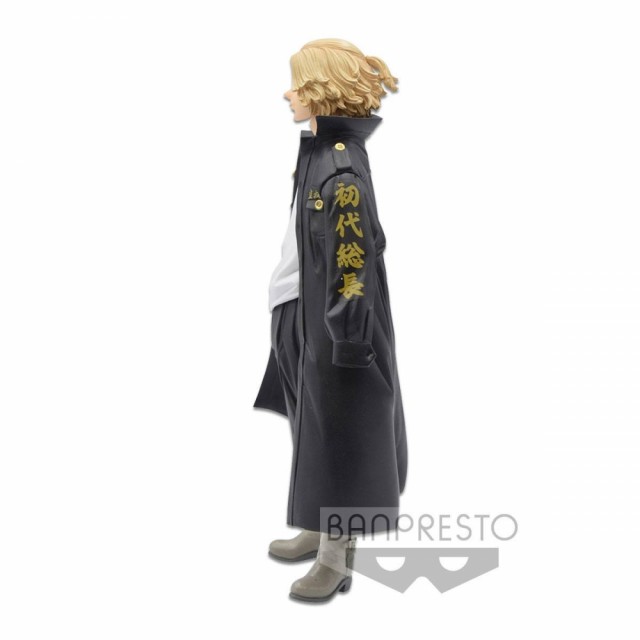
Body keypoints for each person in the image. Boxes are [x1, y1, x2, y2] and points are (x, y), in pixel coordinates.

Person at [253, 38, 408, 603]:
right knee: (312, 427)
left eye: (298, 84)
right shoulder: (320, 152)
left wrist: (347, 340)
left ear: (322, 90)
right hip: (300, 311)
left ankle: (335, 558)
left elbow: (353, 266)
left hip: (332, 324)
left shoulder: (340, 170)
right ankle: (319, 526)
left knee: (339, 433)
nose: (288, 94)